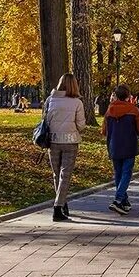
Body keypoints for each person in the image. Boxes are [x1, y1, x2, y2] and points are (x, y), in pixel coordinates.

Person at [45, 73, 87, 222]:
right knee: (65, 175)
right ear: (74, 85)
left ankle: (62, 203)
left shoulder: (50, 100)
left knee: (57, 174)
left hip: (53, 141)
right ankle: (58, 207)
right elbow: (81, 125)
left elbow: (45, 120)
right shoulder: (77, 103)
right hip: (70, 142)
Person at [103, 84, 139, 215]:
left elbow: (104, 130)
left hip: (114, 145)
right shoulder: (133, 110)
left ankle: (124, 202)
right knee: (126, 173)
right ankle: (118, 199)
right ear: (128, 96)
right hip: (129, 145)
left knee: (118, 173)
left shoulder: (109, 110)